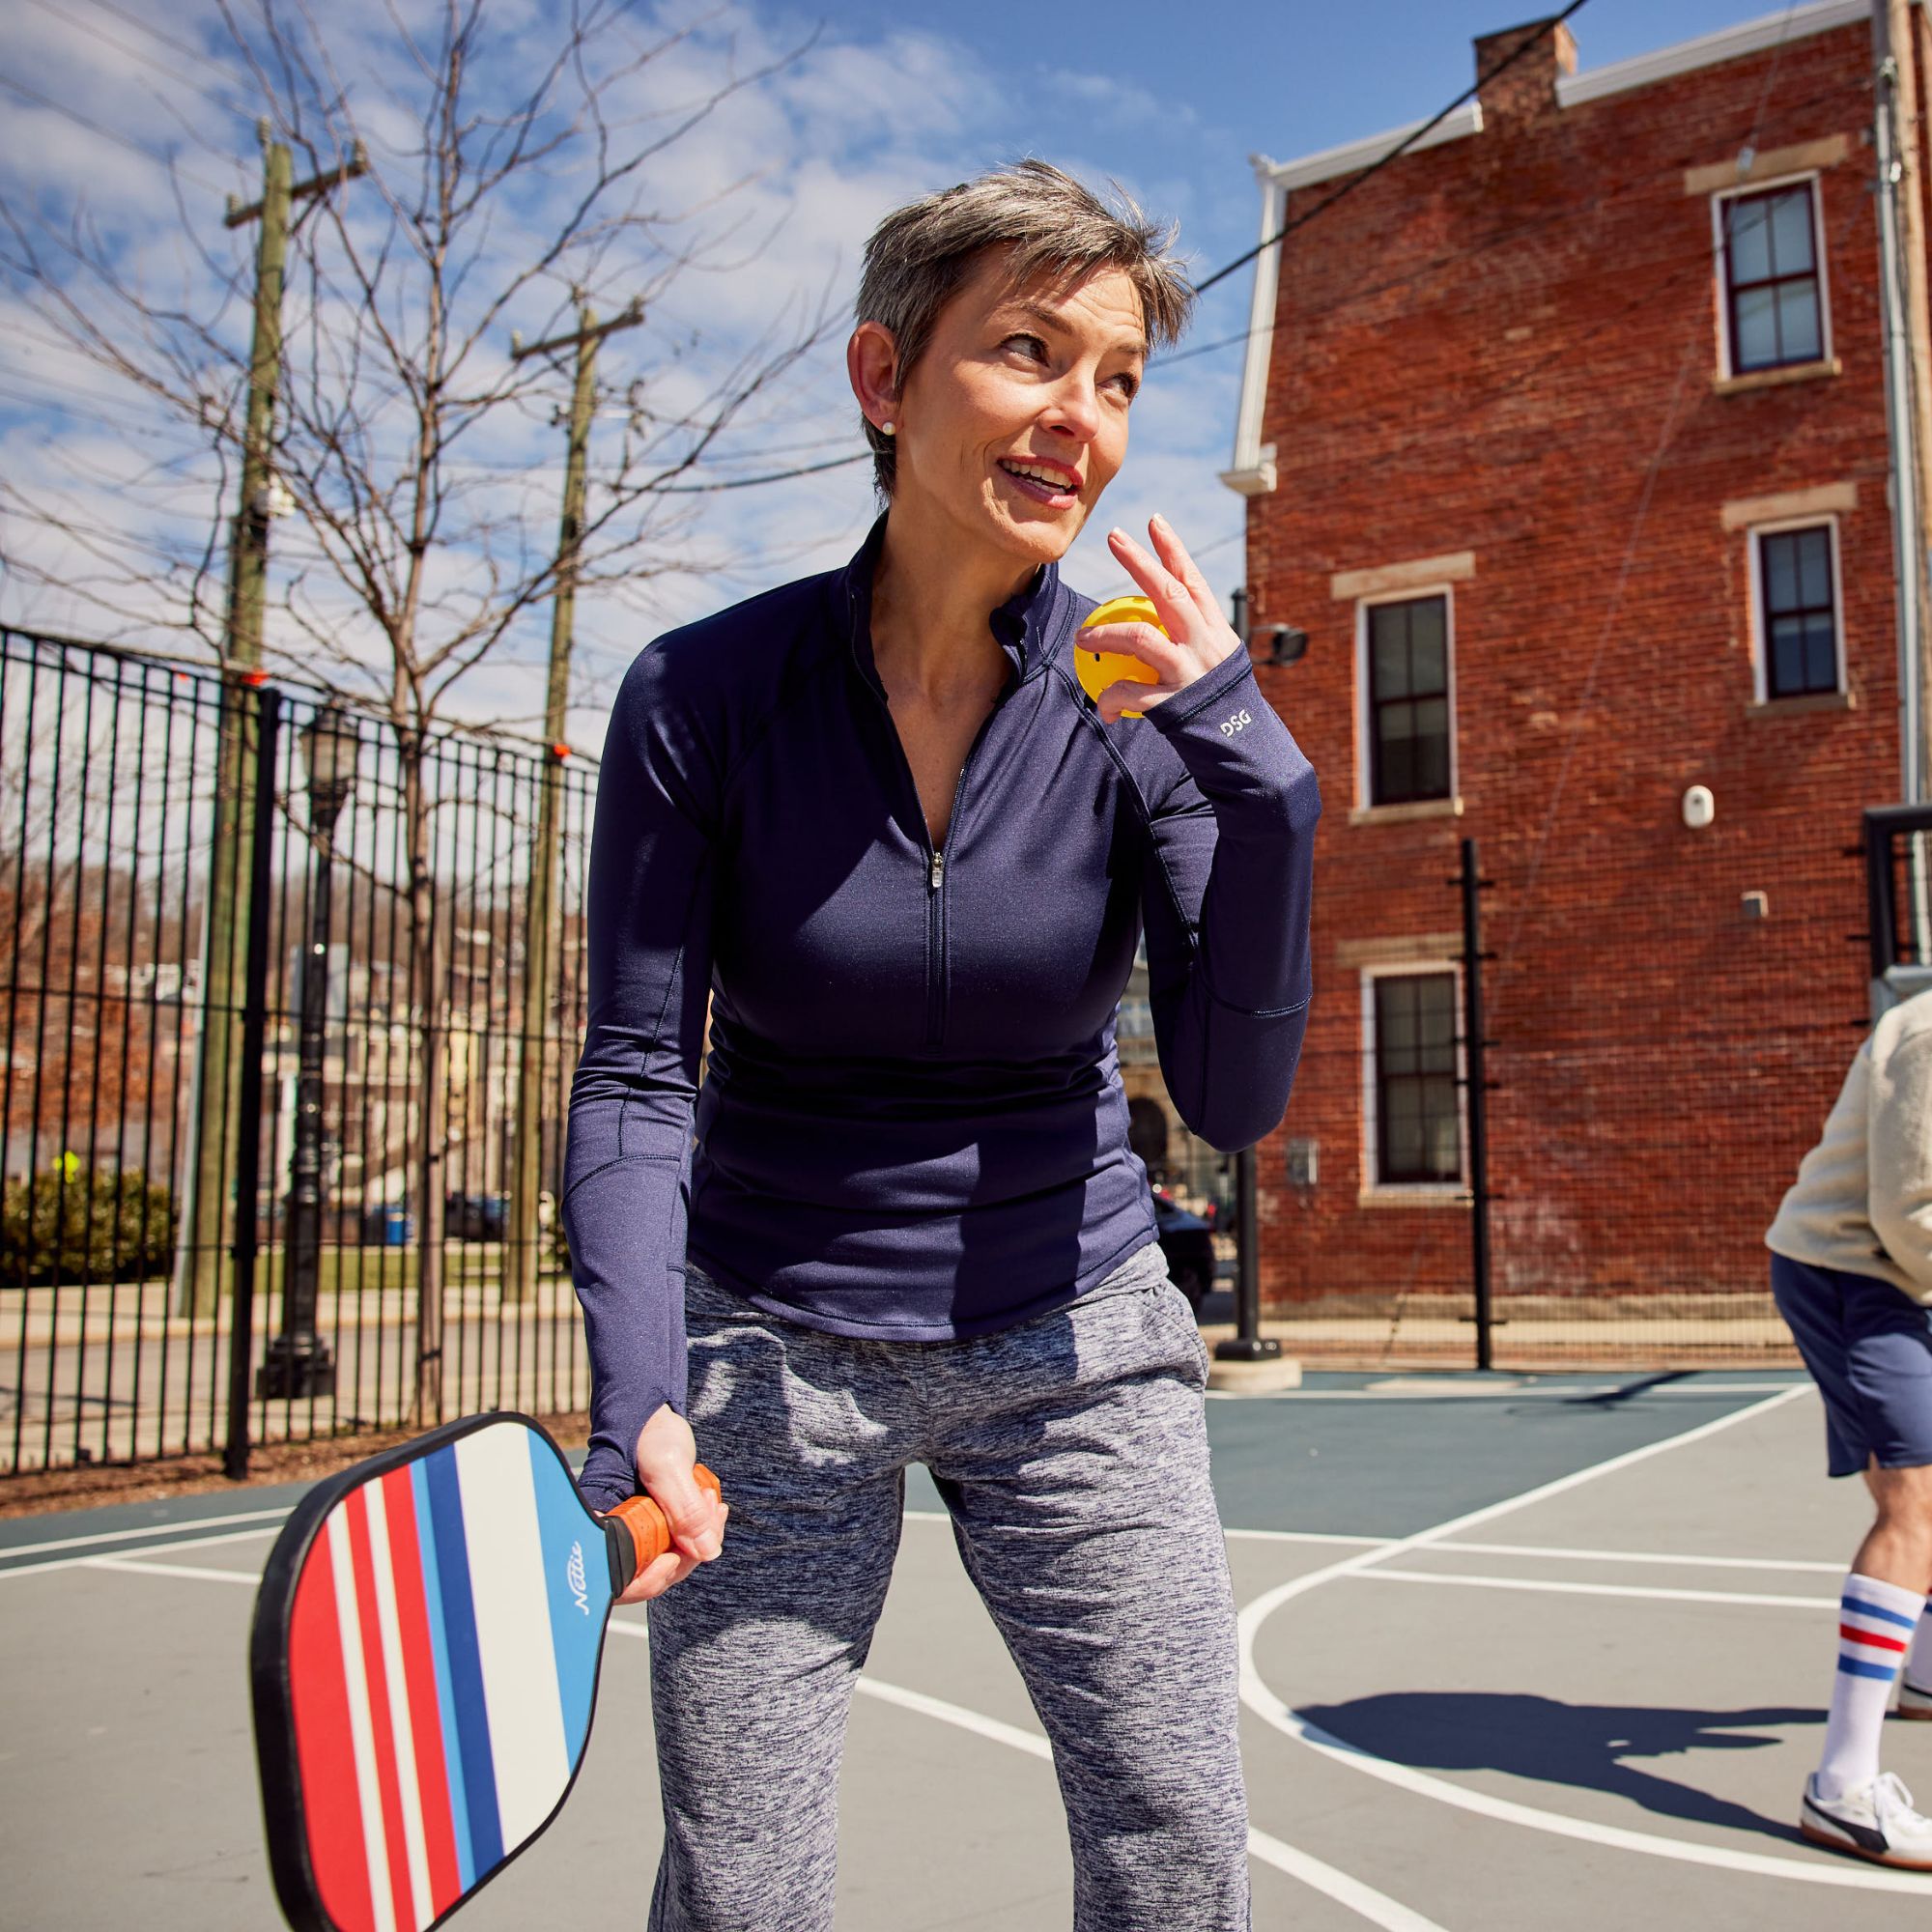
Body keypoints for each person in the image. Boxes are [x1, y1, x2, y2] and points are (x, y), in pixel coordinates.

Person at [563, 159, 1320, 1931]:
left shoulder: (1143, 712)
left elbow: (1228, 1096)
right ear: (885, 380)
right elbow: (634, 1074)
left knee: (1174, 1842)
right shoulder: (701, 697)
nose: (1081, 418)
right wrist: (641, 1392)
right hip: (773, 1340)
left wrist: (1265, 794)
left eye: (1119, 378)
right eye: (1031, 352)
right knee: (740, 1891)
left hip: (1079, 1337)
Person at [1768, 984, 1932, 1868]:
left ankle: (1926, 1678)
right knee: (1915, 1503)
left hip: (1898, 1277)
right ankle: (1843, 1790)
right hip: (1850, 1270)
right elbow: (1908, 1214)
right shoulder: (1930, 1034)